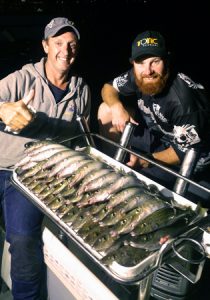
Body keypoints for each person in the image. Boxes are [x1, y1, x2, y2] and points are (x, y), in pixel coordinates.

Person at [0, 17, 91, 299]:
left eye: (72, 44)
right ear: (45, 46)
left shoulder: (82, 90)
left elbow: (82, 140)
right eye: (58, 43)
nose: (65, 50)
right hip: (2, 164)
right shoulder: (21, 78)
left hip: (31, 178)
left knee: (24, 240)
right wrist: (3, 109)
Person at [98, 30, 210, 193]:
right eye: (141, 62)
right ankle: (114, 167)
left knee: (140, 186)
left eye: (155, 61)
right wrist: (116, 107)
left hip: (189, 161)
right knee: (106, 109)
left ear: (167, 60)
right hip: (161, 138)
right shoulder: (138, 75)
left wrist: (145, 161)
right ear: (133, 63)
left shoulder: (184, 102)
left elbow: (181, 153)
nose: (148, 70)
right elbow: (108, 88)